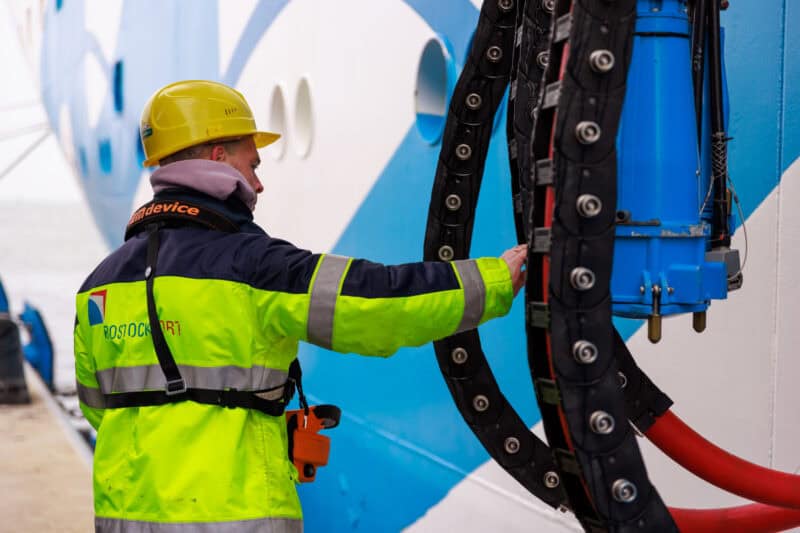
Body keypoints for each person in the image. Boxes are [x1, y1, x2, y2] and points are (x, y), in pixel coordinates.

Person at [74, 80, 527, 533]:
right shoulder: (253, 265)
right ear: (217, 157)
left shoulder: (98, 286)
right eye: (251, 164)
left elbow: (99, 408)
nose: (258, 183)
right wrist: (494, 280)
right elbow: (377, 304)